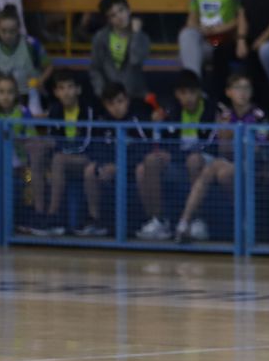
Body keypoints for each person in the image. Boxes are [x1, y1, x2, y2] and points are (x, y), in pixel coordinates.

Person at [175, 71, 265, 242]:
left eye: (246, 88)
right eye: (238, 88)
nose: (242, 92)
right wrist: (226, 137)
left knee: (222, 171)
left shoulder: (258, 116)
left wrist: (234, 144)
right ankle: (187, 222)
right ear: (228, 92)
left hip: (250, 164)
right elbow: (222, 150)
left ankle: (243, 221)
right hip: (227, 161)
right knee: (205, 164)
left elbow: (258, 150)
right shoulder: (224, 117)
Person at [136, 70, 212, 241]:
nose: (188, 98)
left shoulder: (211, 109)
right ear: (177, 94)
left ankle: (196, 221)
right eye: (183, 93)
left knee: (194, 160)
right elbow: (162, 144)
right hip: (179, 162)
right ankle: (159, 221)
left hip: (206, 163)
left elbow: (211, 145)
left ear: (199, 92)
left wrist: (176, 154)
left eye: (192, 92)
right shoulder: (170, 111)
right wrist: (156, 125)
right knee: (148, 163)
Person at [71, 83, 152, 239]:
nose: (116, 107)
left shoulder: (137, 119)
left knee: (142, 169)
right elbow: (97, 149)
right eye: (111, 104)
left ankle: (150, 221)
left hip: (132, 168)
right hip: (110, 169)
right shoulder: (103, 122)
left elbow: (145, 148)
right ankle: (95, 220)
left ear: (127, 100)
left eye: (120, 101)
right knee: (90, 170)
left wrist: (120, 166)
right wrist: (103, 166)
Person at [24, 69, 96, 237]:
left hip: (85, 160)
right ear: (56, 92)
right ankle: (39, 213)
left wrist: (61, 150)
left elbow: (87, 144)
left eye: (70, 87)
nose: (66, 92)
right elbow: (53, 140)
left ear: (78, 90)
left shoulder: (88, 110)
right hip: (63, 158)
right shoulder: (55, 111)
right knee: (36, 153)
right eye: (61, 88)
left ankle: (52, 216)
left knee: (58, 159)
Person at [177, 0, 240, 98]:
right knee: (187, 35)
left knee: (204, 49)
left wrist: (218, 29)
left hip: (225, 39)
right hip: (205, 39)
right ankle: (194, 86)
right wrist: (199, 29)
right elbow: (192, 17)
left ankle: (193, 91)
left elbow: (242, 18)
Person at [0, 4, 49, 117]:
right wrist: (3, 98)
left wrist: (40, 81)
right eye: (3, 31)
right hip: (7, 97)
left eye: (12, 31)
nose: (8, 35)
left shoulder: (32, 44)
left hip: (30, 94)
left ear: (18, 28)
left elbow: (48, 67)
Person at [89, 0, 150, 102]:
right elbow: (95, 68)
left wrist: (136, 34)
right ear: (108, 20)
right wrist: (101, 93)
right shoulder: (100, 38)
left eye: (121, 10)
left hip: (136, 97)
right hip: (109, 99)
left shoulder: (143, 38)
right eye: (113, 15)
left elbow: (136, 60)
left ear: (129, 10)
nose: (119, 17)